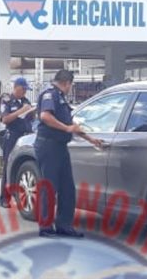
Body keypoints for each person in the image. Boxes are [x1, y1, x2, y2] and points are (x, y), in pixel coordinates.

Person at [34, 69, 106, 238]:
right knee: (50, 187)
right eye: (71, 85)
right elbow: (45, 116)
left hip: (60, 147)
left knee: (67, 188)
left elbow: (70, 123)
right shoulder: (49, 95)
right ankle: (45, 227)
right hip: (48, 146)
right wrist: (67, 129)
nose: (70, 88)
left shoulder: (61, 98)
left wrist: (90, 139)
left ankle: (64, 225)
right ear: (67, 83)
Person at [0, 77, 35, 208]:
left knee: (21, 167)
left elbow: (30, 119)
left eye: (26, 89)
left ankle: (20, 196)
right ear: (16, 87)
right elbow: (5, 119)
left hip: (25, 136)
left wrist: (31, 112)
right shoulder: (7, 100)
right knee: (8, 165)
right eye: (23, 89)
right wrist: (21, 111)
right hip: (12, 137)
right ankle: (4, 198)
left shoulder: (26, 101)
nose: (25, 92)